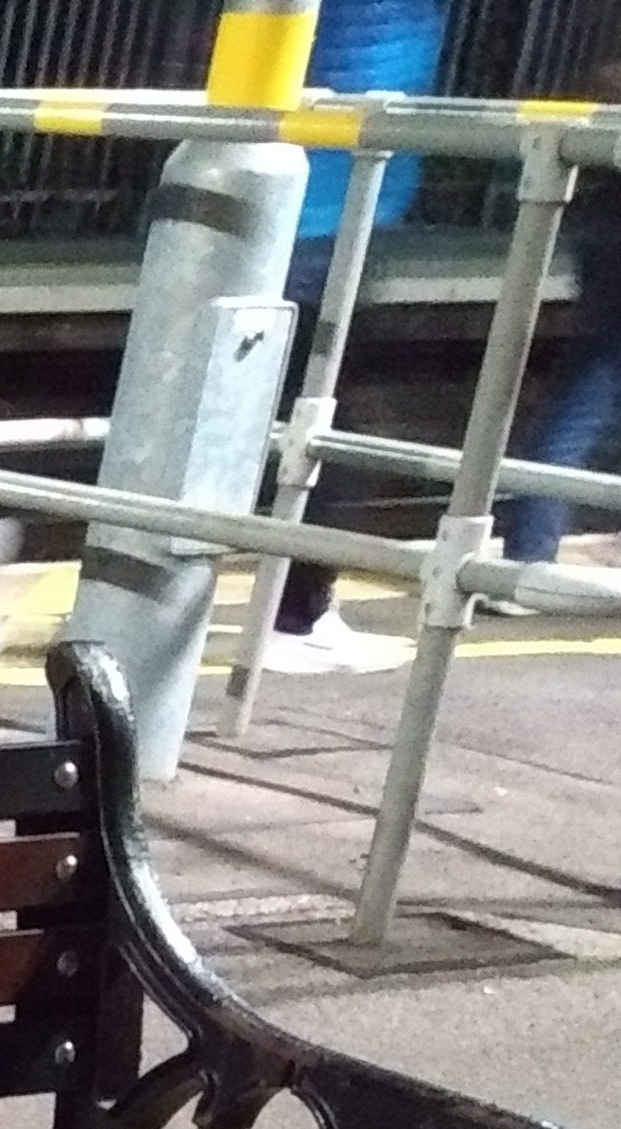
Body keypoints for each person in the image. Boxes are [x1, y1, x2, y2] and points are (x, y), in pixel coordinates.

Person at [261, 0, 446, 674]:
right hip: (330, 212)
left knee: (284, 416)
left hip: (327, 206)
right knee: (322, 421)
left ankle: (296, 609)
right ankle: (296, 617)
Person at [496, 56, 621, 587]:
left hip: (606, 214)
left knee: (585, 390)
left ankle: (527, 553)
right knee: (587, 394)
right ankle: (528, 560)